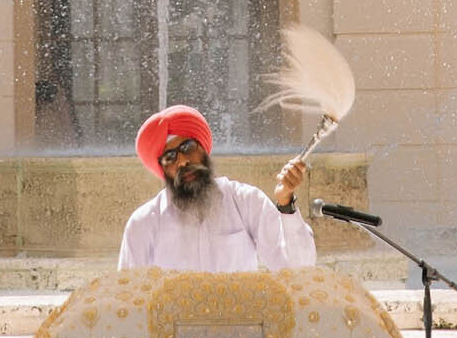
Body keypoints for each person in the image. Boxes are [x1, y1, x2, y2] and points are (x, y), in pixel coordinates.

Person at [118, 104, 316, 271]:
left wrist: (285, 203)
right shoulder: (143, 223)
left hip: (244, 318)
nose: (182, 162)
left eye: (187, 147)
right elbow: (128, 299)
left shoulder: (246, 201)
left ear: (203, 148)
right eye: (170, 157)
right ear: (162, 169)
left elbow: (298, 270)